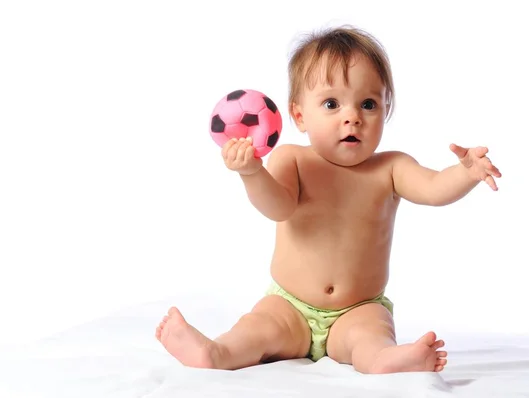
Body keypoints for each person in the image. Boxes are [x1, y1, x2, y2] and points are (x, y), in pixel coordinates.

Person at [155, 25, 501, 374]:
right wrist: (252, 173)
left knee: (371, 333)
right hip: (290, 304)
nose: (352, 117)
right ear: (300, 116)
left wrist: (465, 173)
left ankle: (386, 360)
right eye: (332, 104)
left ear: (386, 108)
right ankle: (216, 353)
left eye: (368, 104)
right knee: (257, 329)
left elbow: (433, 188)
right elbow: (278, 206)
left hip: (358, 307)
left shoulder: (391, 168)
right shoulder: (293, 160)